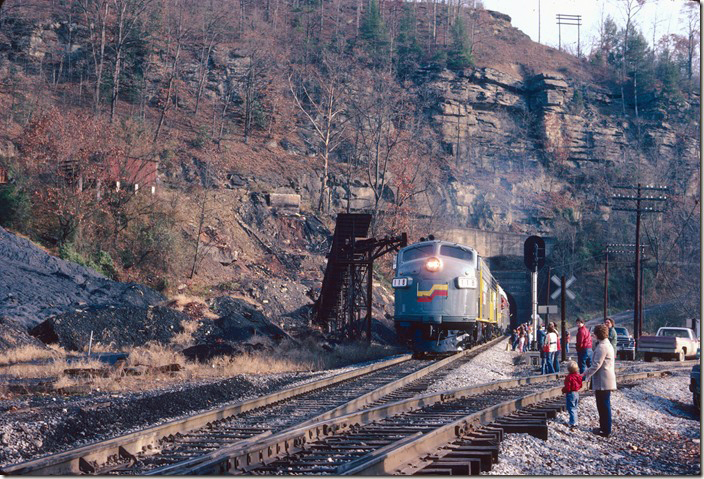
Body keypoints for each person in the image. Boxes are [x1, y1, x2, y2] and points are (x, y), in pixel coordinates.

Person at [582, 323, 617, 437]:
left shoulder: (602, 347)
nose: (593, 335)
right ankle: (604, 428)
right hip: (605, 379)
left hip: (603, 380)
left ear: (598, 334)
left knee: (603, 405)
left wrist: (585, 374)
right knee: (603, 404)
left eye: (594, 333)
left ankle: (606, 430)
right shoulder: (607, 344)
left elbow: (596, 364)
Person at [562, 361, 583, 428]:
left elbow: (567, 387)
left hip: (571, 393)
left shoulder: (569, 377)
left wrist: (563, 390)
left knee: (570, 408)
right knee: (575, 407)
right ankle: (575, 421)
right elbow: (580, 385)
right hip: (576, 393)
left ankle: (573, 422)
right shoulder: (578, 376)